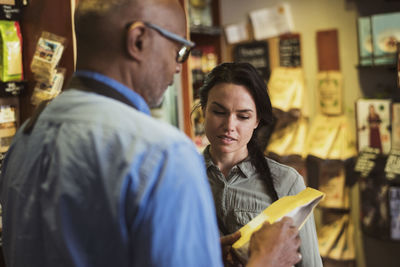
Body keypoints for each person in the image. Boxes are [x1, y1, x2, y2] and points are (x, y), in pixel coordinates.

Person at [0, 1, 301, 266]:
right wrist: (267, 260)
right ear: (139, 39)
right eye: (178, 50)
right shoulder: (161, 153)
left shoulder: (27, 135)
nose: (177, 67)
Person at [195, 62, 323, 267]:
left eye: (243, 116)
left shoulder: (287, 182)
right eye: (219, 112)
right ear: (203, 110)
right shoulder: (181, 178)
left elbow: (310, 264)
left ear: (257, 121)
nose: (229, 126)